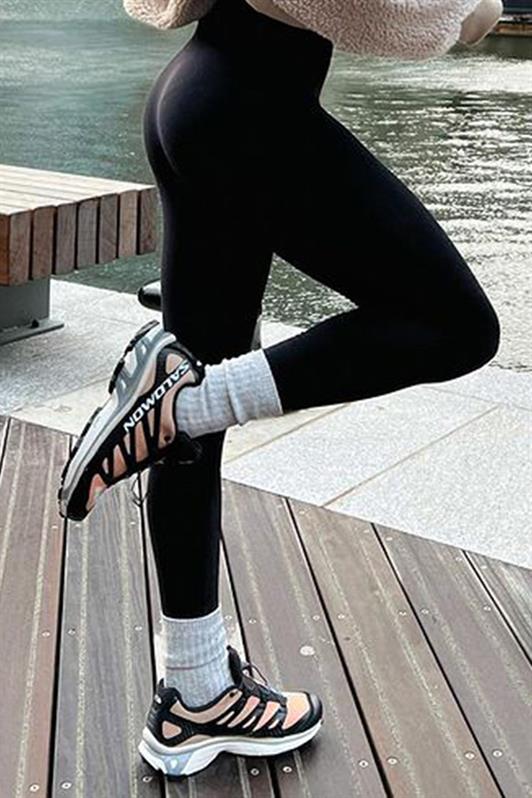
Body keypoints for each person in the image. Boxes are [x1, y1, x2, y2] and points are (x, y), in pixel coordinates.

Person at [58, 0, 502, 778]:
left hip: (198, 95)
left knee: (188, 409)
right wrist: (470, 10)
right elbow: (413, 19)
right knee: (457, 326)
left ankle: (196, 694)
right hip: (248, 113)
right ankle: (182, 402)